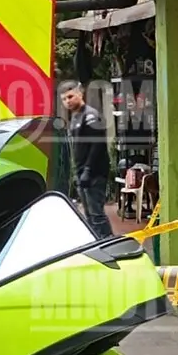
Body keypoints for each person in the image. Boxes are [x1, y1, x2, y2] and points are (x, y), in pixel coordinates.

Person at [60, 81, 114, 239]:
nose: (67, 101)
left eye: (70, 96)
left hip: (94, 172)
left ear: (80, 94)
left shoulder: (90, 115)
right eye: (64, 99)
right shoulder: (76, 117)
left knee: (97, 215)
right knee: (89, 216)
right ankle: (98, 243)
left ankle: (108, 242)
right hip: (81, 171)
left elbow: (97, 144)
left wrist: (88, 170)